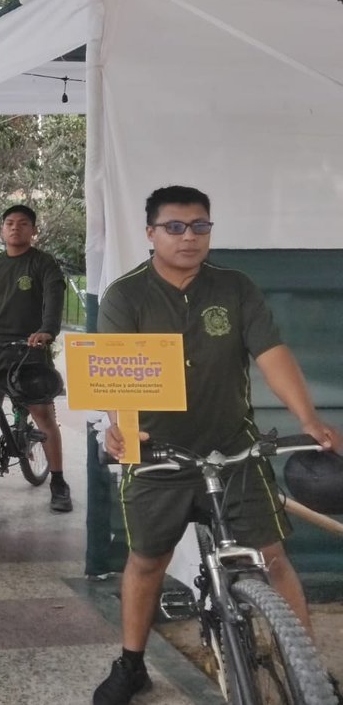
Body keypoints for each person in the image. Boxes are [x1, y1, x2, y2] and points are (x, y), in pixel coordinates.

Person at [91, 185, 342, 705]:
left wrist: (310, 419)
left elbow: (271, 353)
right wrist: (119, 425)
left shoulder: (235, 287)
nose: (189, 237)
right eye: (175, 227)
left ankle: (307, 668)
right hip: (157, 451)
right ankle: (132, 662)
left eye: (200, 226)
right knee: (146, 562)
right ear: (151, 234)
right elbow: (116, 373)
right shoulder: (126, 294)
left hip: (233, 449)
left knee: (272, 559)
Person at [0, 205, 71, 512]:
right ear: (2, 229)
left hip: (30, 347)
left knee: (42, 413)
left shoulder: (44, 264)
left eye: (23, 224)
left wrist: (46, 331)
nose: (15, 228)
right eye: (9, 223)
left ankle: (58, 481)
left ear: (33, 230)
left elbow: (54, 302)